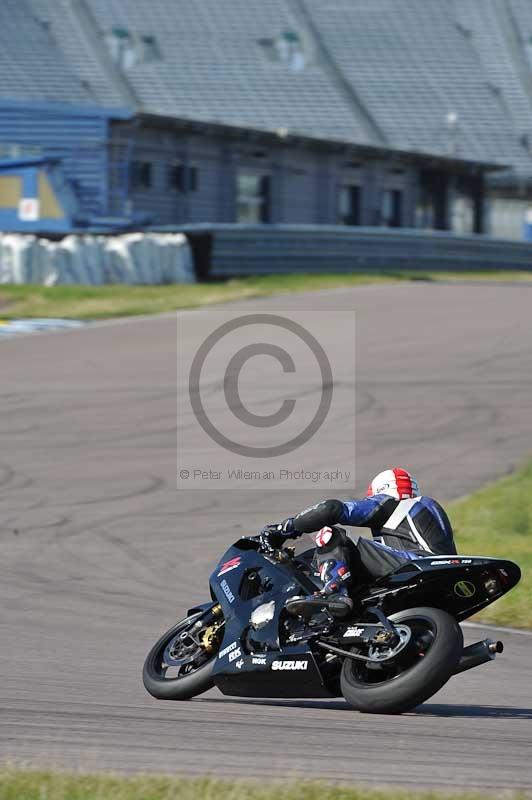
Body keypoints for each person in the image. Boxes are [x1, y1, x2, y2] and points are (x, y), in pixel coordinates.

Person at [262, 467, 456, 612]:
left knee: (329, 534)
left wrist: (286, 528)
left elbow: (331, 509)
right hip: (440, 578)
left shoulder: (394, 503)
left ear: (383, 490)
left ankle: (335, 591)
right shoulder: (425, 510)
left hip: (416, 565)